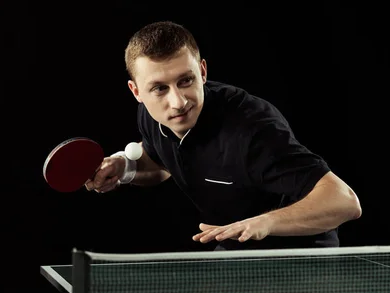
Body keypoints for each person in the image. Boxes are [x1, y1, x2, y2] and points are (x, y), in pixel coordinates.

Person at [85, 21, 362, 250]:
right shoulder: (151, 116)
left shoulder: (252, 129)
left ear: (202, 71)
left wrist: (264, 223)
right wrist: (126, 168)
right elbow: (161, 163)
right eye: (159, 88)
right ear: (137, 92)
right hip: (236, 244)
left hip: (299, 255)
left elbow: (343, 202)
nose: (178, 102)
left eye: (186, 80)